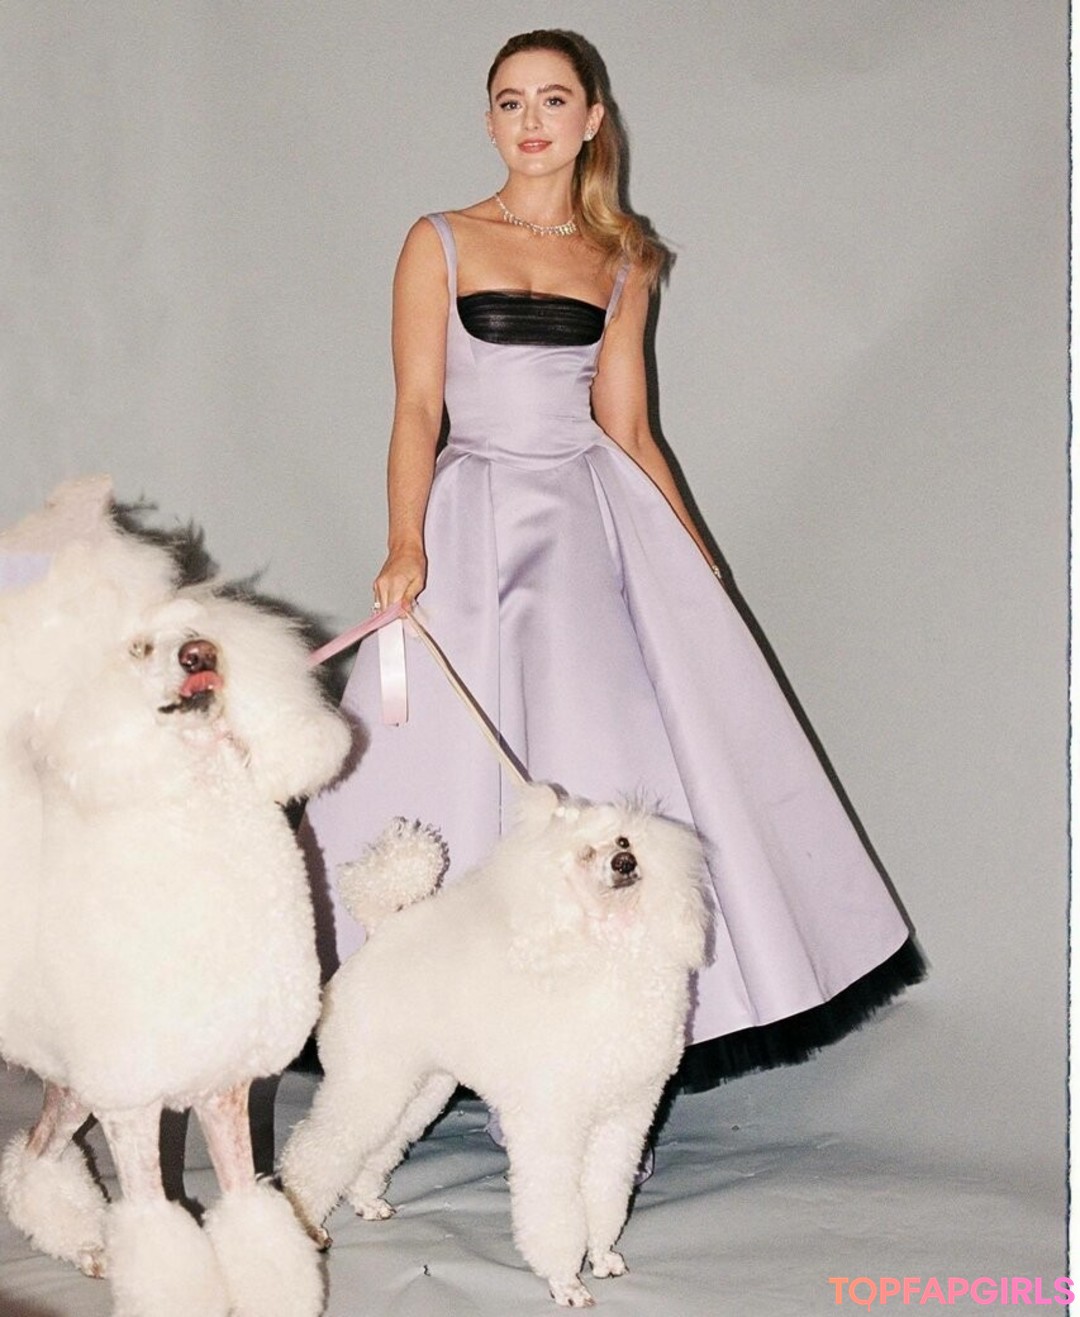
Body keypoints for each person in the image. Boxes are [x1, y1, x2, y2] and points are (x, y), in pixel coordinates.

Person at [305, 29, 924, 1092]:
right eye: (511, 101)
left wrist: (698, 562)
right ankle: (452, 1026)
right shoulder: (438, 241)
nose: (531, 121)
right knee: (452, 770)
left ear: (592, 119)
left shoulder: (624, 256)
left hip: (583, 525)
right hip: (470, 525)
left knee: (597, 750)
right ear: (489, 120)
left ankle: (590, 1045)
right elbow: (416, 408)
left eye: (553, 100)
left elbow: (629, 428)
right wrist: (406, 541)